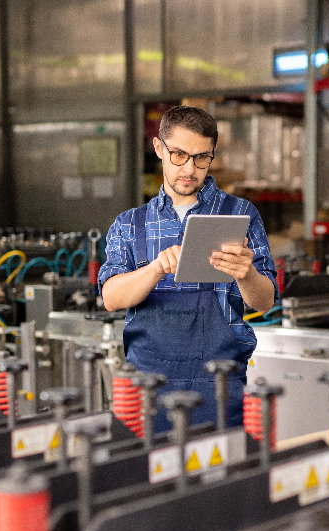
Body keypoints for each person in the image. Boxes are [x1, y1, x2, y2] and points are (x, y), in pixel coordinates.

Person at [98, 106, 278, 432]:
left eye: (201, 158)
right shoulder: (130, 224)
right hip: (148, 384)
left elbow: (264, 301)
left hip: (220, 382)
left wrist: (245, 273)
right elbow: (111, 297)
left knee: (224, 475)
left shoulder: (239, 214)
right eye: (179, 155)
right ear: (158, 149)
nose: (189, 169)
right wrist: (154, 269)